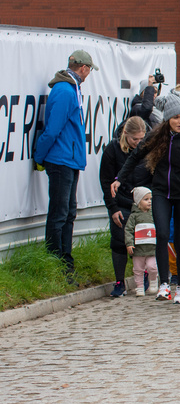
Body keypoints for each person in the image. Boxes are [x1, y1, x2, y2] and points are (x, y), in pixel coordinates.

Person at [112, 95, 180, 304]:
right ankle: (164, 284)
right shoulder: (156, 137)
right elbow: (135, 157)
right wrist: (119, 179)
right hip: (161, 192)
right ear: (167, 119)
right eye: (176, 117)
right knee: (161, 234)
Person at [34, 50, 97, 281]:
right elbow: (52, 128)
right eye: (90, 69)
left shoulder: (72, 88)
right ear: (83, 68)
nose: (89, 74)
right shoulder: (64, 90)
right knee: (59, 213)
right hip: (60, 160)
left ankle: (66, 261)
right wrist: (39, 156)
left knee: (69, 212)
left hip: (69, 159)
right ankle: (55, 263)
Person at [100, 116, 151, 297]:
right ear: (125, 134)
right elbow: (106, 180)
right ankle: (120, 281)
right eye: (134, 139)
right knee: (120, 240)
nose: (137, 143)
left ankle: (144, 275)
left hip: (144, 202)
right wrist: (112, 208)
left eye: (141, 139)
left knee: (144, 242)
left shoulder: (148, 150)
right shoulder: (112, 150)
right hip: (121, 200)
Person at [124, 187, 157, 297]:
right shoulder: (134, 216)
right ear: (138, 201)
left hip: (152, 248)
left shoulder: (154, 214)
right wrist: (129, 244)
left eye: (150, 199)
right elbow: (128, 230)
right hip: (138, 249)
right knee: (138, 269)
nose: (149, 202)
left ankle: (153, 282)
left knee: (152, 267)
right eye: (146, 199)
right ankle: (139, 287)